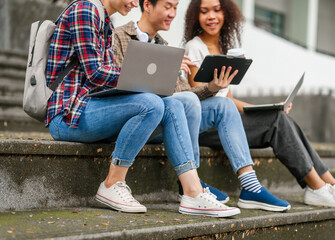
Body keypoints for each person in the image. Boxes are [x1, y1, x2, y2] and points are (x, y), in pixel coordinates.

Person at [46, 0, 240, 217]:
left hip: (93, 107)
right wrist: (153, 76)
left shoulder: (104, 22)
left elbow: (106, 80)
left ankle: (192, 192)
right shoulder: (85, 9)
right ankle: (111, 184)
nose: (134, 2)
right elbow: (95, 73)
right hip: (69, 114)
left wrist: (158, 78)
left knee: (173, 104)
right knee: (152, 103)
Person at [113, 0, 292, 212]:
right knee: (178, 104)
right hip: (141, 118)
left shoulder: (166, 47)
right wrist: (158, 71)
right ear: (148, 6)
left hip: (171, 117)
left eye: (175, 8)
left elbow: (184, 95)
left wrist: (212, 87)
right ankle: (192, 184)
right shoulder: (119, 36)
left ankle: (250, 185)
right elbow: (115, 85)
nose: (172, 14)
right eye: (168, 7)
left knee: (223, 104)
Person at [182, 0, 335, 209]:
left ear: (226, 13)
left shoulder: (224, 48)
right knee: (277, 122)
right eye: (204, 12)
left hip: (226, 121)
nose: (211, 16)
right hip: (205, 127)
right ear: (196, 16)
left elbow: (227, 99)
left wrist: (269, 107)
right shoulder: (194, 47)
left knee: (280, 116)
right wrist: (213, 86)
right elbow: (200, 99)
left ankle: (331, 184)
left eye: (216, 10)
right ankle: (317, 188)